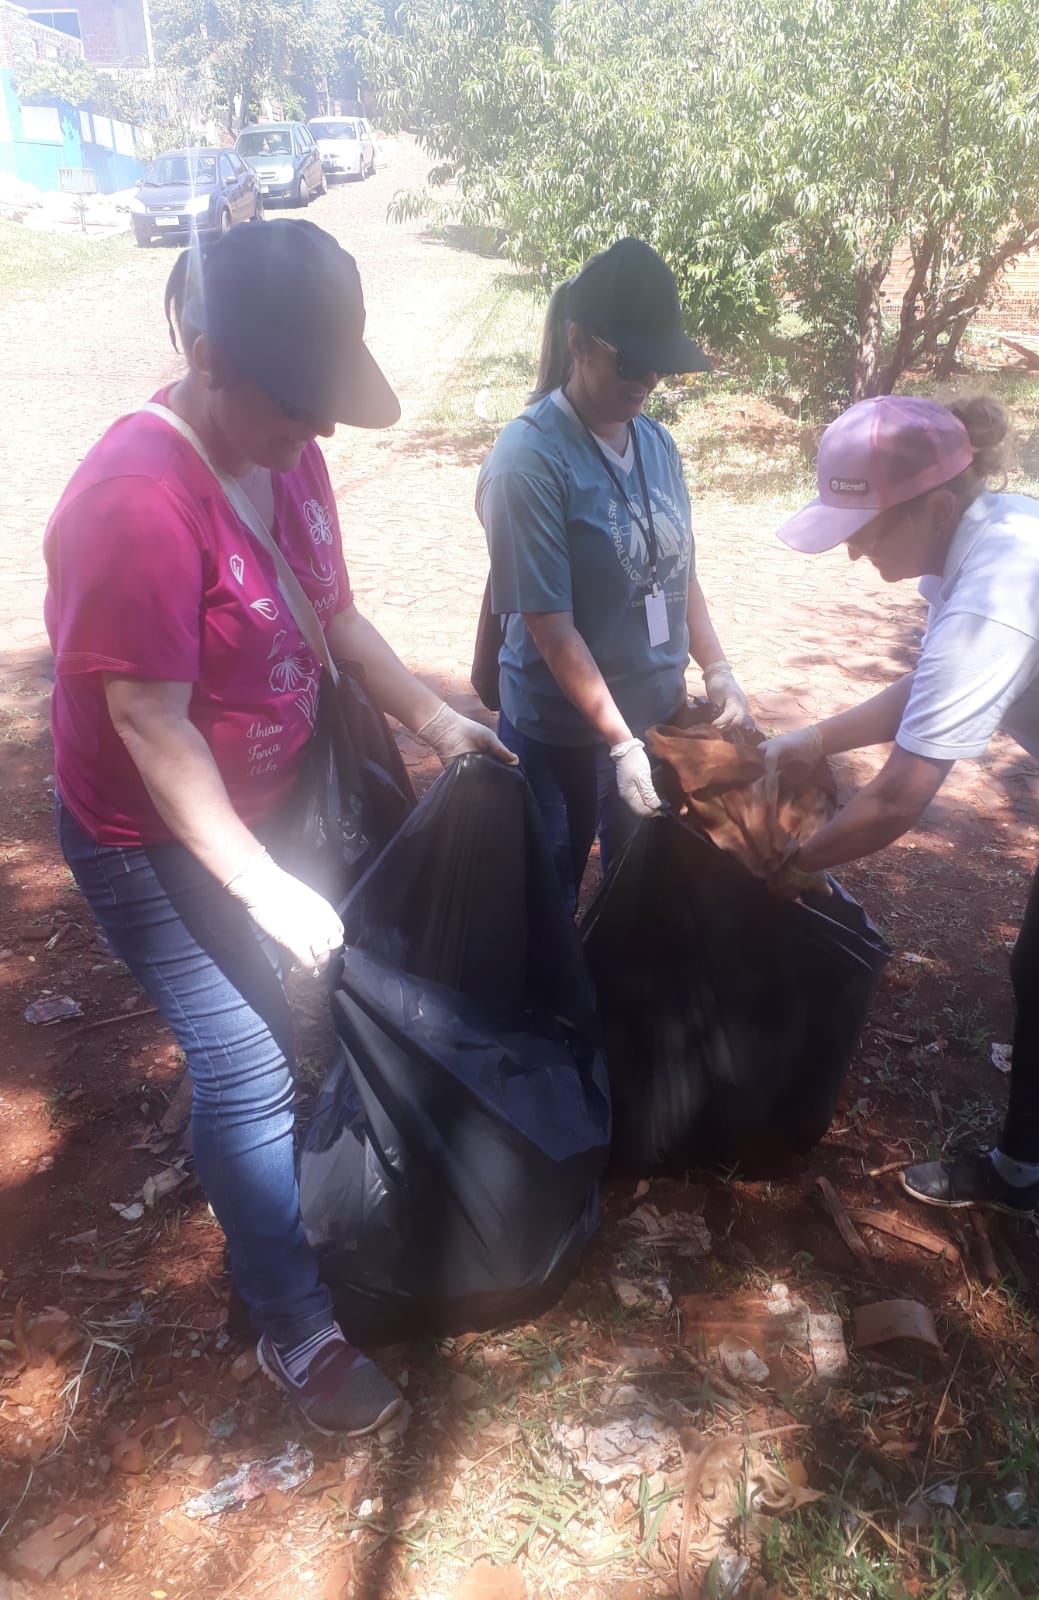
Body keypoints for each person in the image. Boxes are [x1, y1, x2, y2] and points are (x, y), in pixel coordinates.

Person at [43, 219, 514, 1436]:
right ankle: (294, 1327)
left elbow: (334, 613)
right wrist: (262, 887)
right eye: (293, 406)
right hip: (145, 833)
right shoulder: (135, 503)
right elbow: (151, 729)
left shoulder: (291, 451)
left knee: (287, 1011)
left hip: (271, 794)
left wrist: (430, 717)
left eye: (322, 409)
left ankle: (255, 1155)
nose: (312, 437)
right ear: (205, 354)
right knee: (247, 1055)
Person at [765, 393, 1039, 1356]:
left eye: (862, 527)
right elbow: (932, 678)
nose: (851, 552)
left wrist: (783, 868)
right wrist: (812, 735)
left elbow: (893, 804)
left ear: (933, 503)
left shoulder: (1004, 585)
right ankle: (1016, 1168)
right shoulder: (978, 549)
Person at [475, 237, 752, 910]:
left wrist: (716, 669)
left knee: (640, 888)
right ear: (579, 343)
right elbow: (551, 628)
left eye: (658, 365)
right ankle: (548, 1012)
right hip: (561, 735)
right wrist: (618, 742)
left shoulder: (657, 445)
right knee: (549, 895)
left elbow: (679, 571)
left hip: (653, 717)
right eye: (629, 361)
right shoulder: (530, 460)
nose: (645, 380)